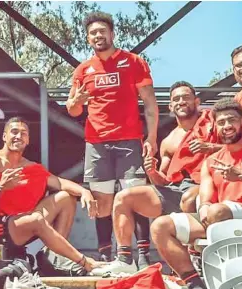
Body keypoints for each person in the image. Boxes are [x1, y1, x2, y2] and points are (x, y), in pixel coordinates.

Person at [90, 81, 221, 274]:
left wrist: (210, 148)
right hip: (177, 190)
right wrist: (151, 171)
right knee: (123, 198)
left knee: (190, 198)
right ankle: (125, 259)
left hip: (207, 187)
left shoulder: (214, 122)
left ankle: (195, 257)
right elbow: (165, 182)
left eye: (186, 97)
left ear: (197, 101)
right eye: (176, 99)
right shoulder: (168, 141)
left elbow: (238, 148)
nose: (181, 101)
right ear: (170, 106)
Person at [150, 97, 242, 289]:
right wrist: (203, 213)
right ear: (215, 127)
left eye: (232, 120)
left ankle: (205, 258)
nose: (227, 126)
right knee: (161, 226)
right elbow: (206, 200)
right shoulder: (211, 161)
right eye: (221, 122)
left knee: (218, 211)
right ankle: (195, 284)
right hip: (220, 218)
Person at [66, 11, 159, 263]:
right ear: (88, 39)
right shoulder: (83, 70)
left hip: (129, 141)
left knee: (134, 199)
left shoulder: (134, 62)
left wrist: (152, 138)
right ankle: (106, 257)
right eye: (93, 33)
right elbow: (72, 109)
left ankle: (142, 256)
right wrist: (76, 102)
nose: (98, 35)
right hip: (97, 145)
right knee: (102, 204)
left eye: (102, 31)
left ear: (112, 34)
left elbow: (150, 103)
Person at [0, 117, 102, 273]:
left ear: (28, 140)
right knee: (35, 219)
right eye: (14, 132)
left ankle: (53, 257)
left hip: (27, 223)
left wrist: (85, 191)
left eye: (23, 133)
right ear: (4, 136)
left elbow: (60, 183)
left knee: (65, 197)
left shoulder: (31, 166)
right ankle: (84, 262)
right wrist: (0, 187)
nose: (18, 136)